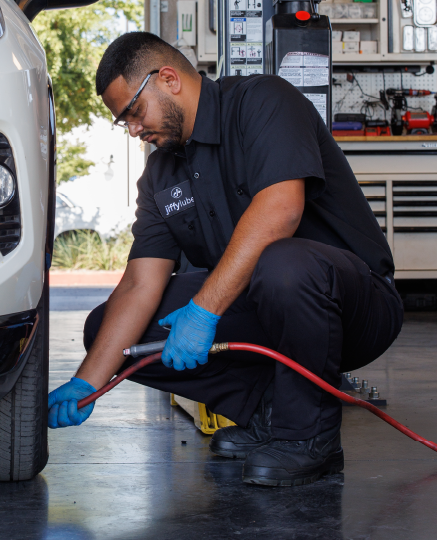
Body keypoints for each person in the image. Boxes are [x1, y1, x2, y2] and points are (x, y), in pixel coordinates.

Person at [47, 32, 403, 487]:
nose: (133, 130)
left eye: (134, 112)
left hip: (355, 307)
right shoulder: (161, 173)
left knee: (283, 264)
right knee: (107, 332)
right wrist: (88, 380)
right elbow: (141, 283)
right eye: (124, 123)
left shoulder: (263, 101)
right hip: (264, 305)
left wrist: (203, 309)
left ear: (169, 79)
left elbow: (281, 209)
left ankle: (308, 437)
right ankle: (268, 412)